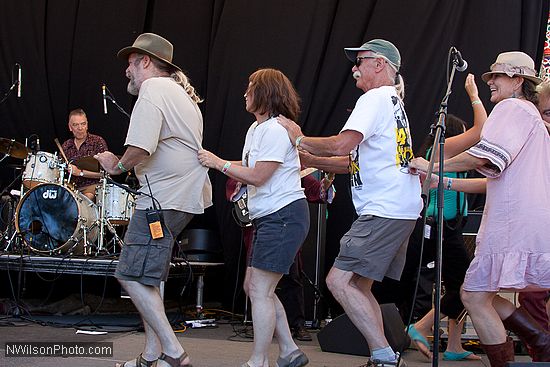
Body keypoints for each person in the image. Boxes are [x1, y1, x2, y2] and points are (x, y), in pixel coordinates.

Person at [278, 39, 422, 367]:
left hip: (384, 210)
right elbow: (350, 162)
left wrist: (297, 137)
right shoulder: (392, 102)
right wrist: (306, 157)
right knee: (359, 285)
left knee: (337, 281)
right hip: (399, 209)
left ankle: (384, 356)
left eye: (361, 61)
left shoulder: (373, 98)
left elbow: (342, 146)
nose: (354, 69)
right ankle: (383, 355)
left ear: (381, 65)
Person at [410, 51, 550, 367]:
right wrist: (443, 180)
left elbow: (483, 159)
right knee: (478, 294)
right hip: (529, 220)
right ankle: (540, 340)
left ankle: (536, 343)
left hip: (514, 222)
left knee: (474, 295)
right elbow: (495, 179)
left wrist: (432, 165)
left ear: (517, 81)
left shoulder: (511, 109)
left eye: (497, 76)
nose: (491, 82)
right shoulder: (532, 119)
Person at [94, 33, 212, 367]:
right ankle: (150, 355)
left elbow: (141, 147)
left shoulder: (153, 90)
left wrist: (115, 166)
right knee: (146, 279)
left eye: (131, 64)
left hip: (161, 200)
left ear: (145, 61)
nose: (126, 72)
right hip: (179, 198)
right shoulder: (178, 93)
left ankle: (174, 353)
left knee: (129, 274)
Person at [198, 68, 310, 367]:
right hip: (270, 218)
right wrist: (214, 161)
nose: (245, 93)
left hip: (283, 216)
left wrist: (219, 164)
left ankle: (259, 361)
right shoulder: (256, 129)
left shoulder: (275, 130)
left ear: (266, 93)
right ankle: (288, 351)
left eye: (251, 87)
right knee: (255, 287)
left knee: (260, 289)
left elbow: (259, 176)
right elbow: (250, 164)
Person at [403, 74, 487, 362]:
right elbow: (480, 130)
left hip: (450, 225)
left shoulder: (445, 154)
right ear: (452, 135)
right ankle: (420, 326)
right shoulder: (439, 150)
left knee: (458, 286)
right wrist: (474, 94)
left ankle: (453, 345)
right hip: (438, 226)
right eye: (460, 133)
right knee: (467, 285)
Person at [227, 172, 335, 342]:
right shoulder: (254, 163)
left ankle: (297, 325)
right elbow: (236, 185)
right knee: (254, 284)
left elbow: (315, 189)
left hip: (281, 224)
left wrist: (327, 182)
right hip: (259, 225)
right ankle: (267, 329)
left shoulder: (292, 167)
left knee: (290, 277)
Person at [61, 108, 108, 201]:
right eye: (75, 125)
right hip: (72, 188)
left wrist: (80, 173)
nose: (80, 128)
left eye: (83, 124)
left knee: (87, 197)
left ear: (87, 125)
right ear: (70, 127)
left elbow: (105, 175)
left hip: (93, 186)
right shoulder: (66, 146)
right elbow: (60, 172)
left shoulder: (98, 142)